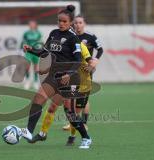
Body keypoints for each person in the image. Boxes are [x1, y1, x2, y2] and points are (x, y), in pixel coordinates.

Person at [20, 5, 92, 149]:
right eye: (59, 21)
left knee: (69, 112)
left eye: (65, 21)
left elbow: (78, 61)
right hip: (53, 75)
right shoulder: (54, 33)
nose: (61, 23)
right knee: (38, 98)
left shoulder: (73, 39)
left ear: (70, 22)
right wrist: (32, 50)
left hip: (69, 78)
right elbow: (45, 52)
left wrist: (69, 74)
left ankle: (86, 138)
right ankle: (28, 131)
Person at [29, 15, 103, 147]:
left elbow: (88, 62)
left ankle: (80, 136)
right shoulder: (60, 41)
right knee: (53, 107)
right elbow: (55, 59)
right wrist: (45, 70)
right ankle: (42, 134)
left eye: (78, 24)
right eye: (75, 24)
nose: (76, 27)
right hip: (59, 79)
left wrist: (92, 64)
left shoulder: (80, 45)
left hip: (76, 80)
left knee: (71, 113)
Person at [62, 15, 103, 132]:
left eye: (80, 22)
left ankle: (83, 123)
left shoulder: (90, 37)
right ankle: (74, 122)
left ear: (84, 24)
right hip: (72, 70)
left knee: (83, 96)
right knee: (71, 95)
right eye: (75, 23)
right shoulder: (70, 36)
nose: (78, 25)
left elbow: (100, 49)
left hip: (85, 70)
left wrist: (95, 60)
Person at [21, 20, 42, 90]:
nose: (31, 25)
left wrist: (40, 49)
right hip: (28, 52)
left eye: (33, 24)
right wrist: (22, 49)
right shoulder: (26, 33)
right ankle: (27, 81)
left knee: (36, 67)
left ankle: (35, 82)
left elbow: (41, 42)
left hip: (36, 52)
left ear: (35, 25)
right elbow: (23, 42)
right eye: (30, 24)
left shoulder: (38, 33)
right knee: (27, 66)